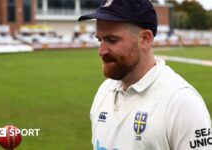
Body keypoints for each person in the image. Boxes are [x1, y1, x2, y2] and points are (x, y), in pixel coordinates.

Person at [78, 0, 212, 149]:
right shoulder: (104, 92)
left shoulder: (182, 104)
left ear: (145, 39)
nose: (101, 51)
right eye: (99, 39)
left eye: (111, 40)